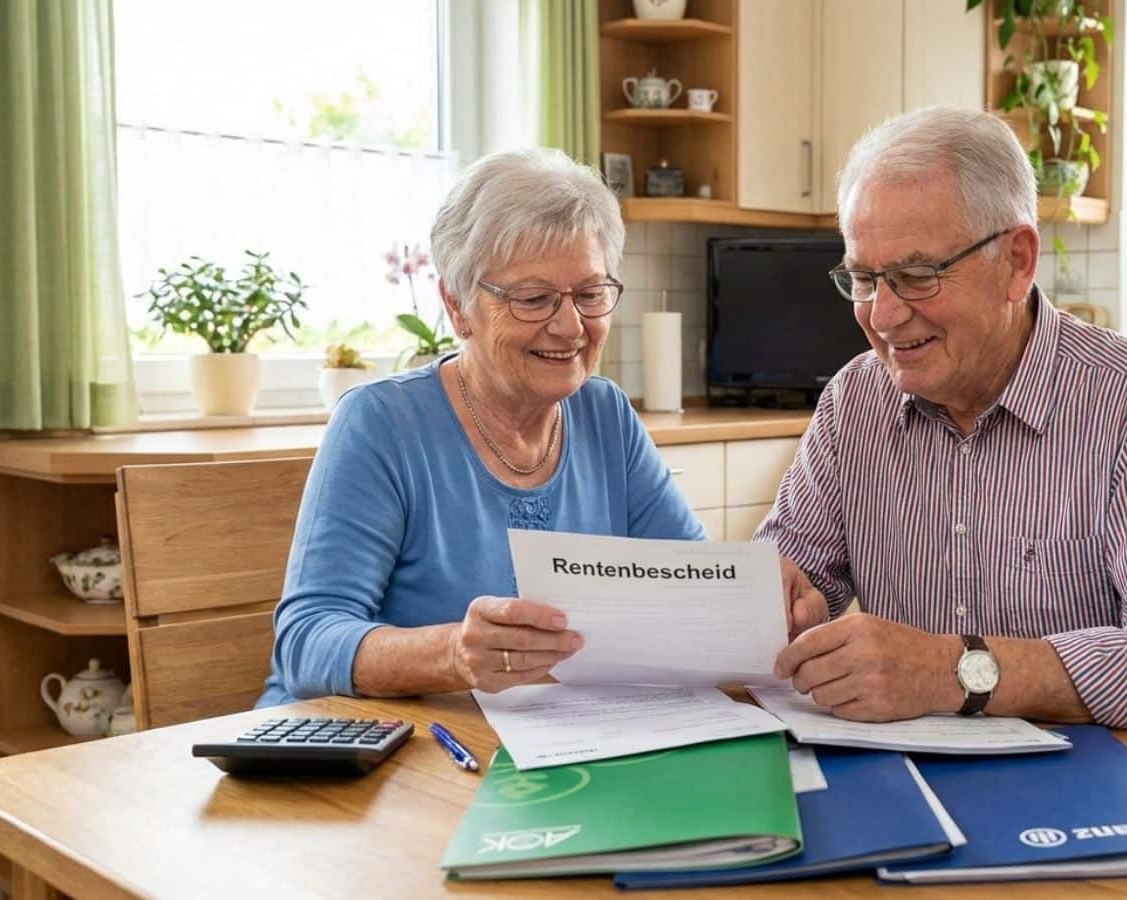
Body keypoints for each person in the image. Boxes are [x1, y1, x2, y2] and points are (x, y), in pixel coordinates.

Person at [259, 148, 824, 707]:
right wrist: (454, 652)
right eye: (533, 298)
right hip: (392, 759)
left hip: (538, 750)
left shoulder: (605, 414)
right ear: (457, 308)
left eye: (590, 293)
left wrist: (753, 602)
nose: (570, 326)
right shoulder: (382, 424)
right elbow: (305, 644)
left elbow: (688, 595)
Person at [758, 108, 1127, 734]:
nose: (881, 316)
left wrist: (954, 672)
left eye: (915, 276)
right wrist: (777, 601)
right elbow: (791, 574)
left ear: (1017, 261)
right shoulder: (854, 401)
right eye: (863, 278)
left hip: (1099, 787)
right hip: (917, 774)